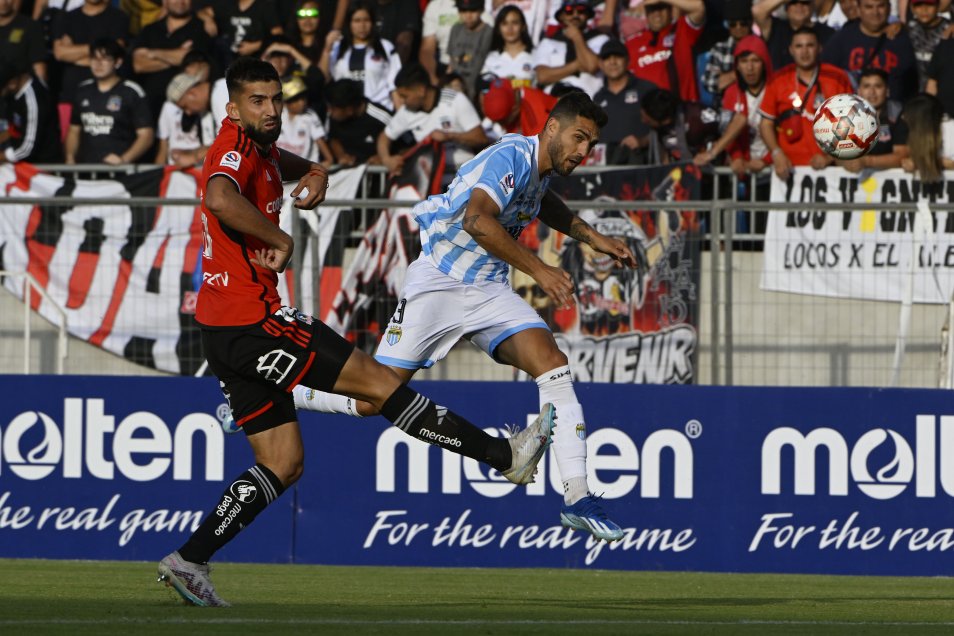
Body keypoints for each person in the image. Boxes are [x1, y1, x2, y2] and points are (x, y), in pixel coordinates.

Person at [156, 56, 557, 608]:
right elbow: (219, 197)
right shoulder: (232, 147)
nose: (271, 110)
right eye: (257, 101)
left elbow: (276, 161)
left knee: (283, 462)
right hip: (254, 320)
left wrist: (315, 170)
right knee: (380, 386)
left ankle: (189, 559)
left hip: (223, 328)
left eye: (276, 99)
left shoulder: (259, 146)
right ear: (232, 108)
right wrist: (281, 237)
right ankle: (504, 456)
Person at [294, 91, 634, 544]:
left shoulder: (539, 172)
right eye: (579, 138)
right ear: (551, 127)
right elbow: (477, 220)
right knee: (371, 400)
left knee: (552, 364)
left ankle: (577, 497)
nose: (583, 151)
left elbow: (543, 202)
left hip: (488, 289)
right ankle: (287, 393)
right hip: (439, 282)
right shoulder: (510, 156)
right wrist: (540, 270)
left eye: (590, 143)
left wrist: (593, 237)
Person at [758, 27, 853, 180]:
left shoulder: (838, 78)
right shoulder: (778, 80)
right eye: (799, 46)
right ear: (791, 50)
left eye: (810, 45)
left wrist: (829, 157)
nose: (804, 52)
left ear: (819, 48)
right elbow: (765, 124)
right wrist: (776, 153)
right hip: (788, 169)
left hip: (830, 170)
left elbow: (852, 123)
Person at [377, 63, 488, 175]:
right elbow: (384, 138)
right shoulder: (407, 111)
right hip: (432, 179)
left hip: (464, 175)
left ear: (421, 90)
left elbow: (481, 138)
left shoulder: (455, 100)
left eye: (405, 96)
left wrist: (449, 136)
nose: (402, 101)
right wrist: (387, 160)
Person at [65, 38, 154, 164]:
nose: (98, 64)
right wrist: (70, 158)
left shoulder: (131, 92)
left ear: (118, 62)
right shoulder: (82, 90)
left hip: (120, 171)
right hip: (86, 170)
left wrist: (124, 159)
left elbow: (146, 135)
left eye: (105, 59)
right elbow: (74, 130)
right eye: (94, 58)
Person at [695, 34, 773, 176]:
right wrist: (736, 157)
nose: (750, 67)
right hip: (743, 167)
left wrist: (767, 160)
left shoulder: (776, 89)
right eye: (744, 61)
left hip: (774, 167)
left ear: (764, 62)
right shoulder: (732, 92)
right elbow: (728, 127)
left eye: (755, 61)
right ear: (737, 65)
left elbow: (784, 131)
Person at [51, 0, 129, 140]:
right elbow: (60, 53)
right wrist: (101, 51)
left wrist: (74, 54)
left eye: (99, 58)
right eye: (94, 58)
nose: (96, 61)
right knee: (68, 143)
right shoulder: (67, 17)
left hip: (107, 96)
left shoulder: (118, 17)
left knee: (103, 142)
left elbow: (117, 50)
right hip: (71, 93)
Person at [132, 0, 215, 125]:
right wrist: (177, 56)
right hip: (150, 108)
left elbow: (194, 60)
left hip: (188, 108)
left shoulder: (202, 28)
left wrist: (153, 53)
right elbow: (138, 65)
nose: (180, 2)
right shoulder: (150, 29)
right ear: (165, 2)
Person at [822, 0, 918, 102]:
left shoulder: (902, 39)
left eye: (880, 6)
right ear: (859, 9)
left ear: (889, 8)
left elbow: (911, 82)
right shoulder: (841, 40)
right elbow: (825, 77)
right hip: (850, 108)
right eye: (869, 7)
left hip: (892, 109)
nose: (875, 12)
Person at [319, 1, 401, 109]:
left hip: (380, 111)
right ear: (349, 23)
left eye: (366, 20)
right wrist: (326, 50)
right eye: (357, 21)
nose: (362, 26)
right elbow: (323, 78)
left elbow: (394, 86)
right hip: (346, 111)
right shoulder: (337, 48)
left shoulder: (385, 47)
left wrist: (400, 114)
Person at [624, 0, 705, 104]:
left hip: (682, 106)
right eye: (652, 9)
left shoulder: (682, 30)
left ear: (670, 10)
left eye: (662, 8)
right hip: (648, 109)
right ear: (646, 13)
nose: (657, 13)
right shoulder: (632, 43)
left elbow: (699, 8)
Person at [592, 38, 653, 165]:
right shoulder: (597, 98)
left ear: (628, 60)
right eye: (607, 58)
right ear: (600, 64)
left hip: (641, 165)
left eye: (618, 56)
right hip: (606, 169)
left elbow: (664, 129)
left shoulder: (646, 90)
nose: (612, 62)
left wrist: (643, 141)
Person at [534, 0, 609, 97]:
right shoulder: (548, 42)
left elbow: (591, 66)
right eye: (569, 11)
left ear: (587, 15)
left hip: (590, 100)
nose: (575, 15)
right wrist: (577, 65)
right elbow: (542, 76)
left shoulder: (600, 38)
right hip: (556, 101)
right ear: (561, 16)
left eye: (581, 11)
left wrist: (577, 37)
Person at [837, 67, 904, 172]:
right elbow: (838, 153)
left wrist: (867, 161)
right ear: (859, 92)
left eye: (878, 86)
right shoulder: (846, 115)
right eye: (866, 86)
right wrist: (844, 162)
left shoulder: (899, 114)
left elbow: (902, 157)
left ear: (887, 91)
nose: (872, 92)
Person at [639, 87, 720, 163]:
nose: (643, 121)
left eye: (648, 121)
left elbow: (727, 126)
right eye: (642, 116)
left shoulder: (697, 114)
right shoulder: (659, 129)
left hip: (711, 166)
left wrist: (713, 152)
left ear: (666, 121)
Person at [0, 67, 62, 163]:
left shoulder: (34, 101)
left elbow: (26, 149)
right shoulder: (13, 94)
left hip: (41, 166)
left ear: (12, 83)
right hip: (20, 160)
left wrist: (2, 156)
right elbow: (13, 130)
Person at [325, 77, 391, 166]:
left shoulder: (380, 117)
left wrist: (383, 157)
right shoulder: (334, 118)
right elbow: (334, 139)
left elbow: (404, 146)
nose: (329, 112)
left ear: (349, 110)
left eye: (333, 108)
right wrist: (342, 156)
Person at [752, 0, 834, 71]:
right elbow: (757, 11)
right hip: (780, 82)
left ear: (812, 7)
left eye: (804, 2)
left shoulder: (828, 33)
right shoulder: (776, 28)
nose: (799, 7)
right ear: (786, 8)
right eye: (793, 2)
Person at [154, 71, 215, 166]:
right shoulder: (168, 108)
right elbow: (163, 145)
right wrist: (159, 171)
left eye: (185, 106)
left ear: (192, 93)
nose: (188, 113)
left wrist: (192, 157)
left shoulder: (216, 101)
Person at [700, 0, 754, 106]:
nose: (738, 28)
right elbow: (709, 83)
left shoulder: (761, 46)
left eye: (743, 23)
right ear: (728, 25)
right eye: (733, 24)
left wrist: (725, 78)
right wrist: (738, 73)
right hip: (724, 108)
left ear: (751, 23)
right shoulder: (720, 49)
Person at [276, 75, 333, 165]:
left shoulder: (310, 116)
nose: (302, 102)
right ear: (286, 102)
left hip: (305, 168)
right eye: (296, 99)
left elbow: (327, 155)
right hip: (280, 167)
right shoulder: (279, 114)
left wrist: (324, 163)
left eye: (303, 98)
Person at [445, 0, 492, 99]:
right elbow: (451, 64)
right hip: (454, 87)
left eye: (473, 11)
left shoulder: (488, 32)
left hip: (475, 88)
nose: (468, 16)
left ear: (481, 10)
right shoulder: (456, 29)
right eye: (463, 11)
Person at [480, 5, 535, 86]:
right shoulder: (491, 58)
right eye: (504, 23)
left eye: (515, 23)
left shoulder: (536, 55)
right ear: (498, 29)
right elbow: (484, 88)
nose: (510, 28)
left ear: (523, 26)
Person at [907, 0, 951, 92]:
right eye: (919, 5)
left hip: (942, 91)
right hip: (914, 92)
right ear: (912, 8)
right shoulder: (908, 29)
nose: (924, 9)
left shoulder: (949, 29)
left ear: (938, 5)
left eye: (929, 4)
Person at [0, 0, 47, 83]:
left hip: (18, 87)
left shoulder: (30, 26)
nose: (3, 2)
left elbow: (39, 68)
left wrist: (39, 88)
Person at [419, 0, 459, 85]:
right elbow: (427, 49)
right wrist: (432, 79)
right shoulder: (435, 6)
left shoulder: (482, 4)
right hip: (445, 68)